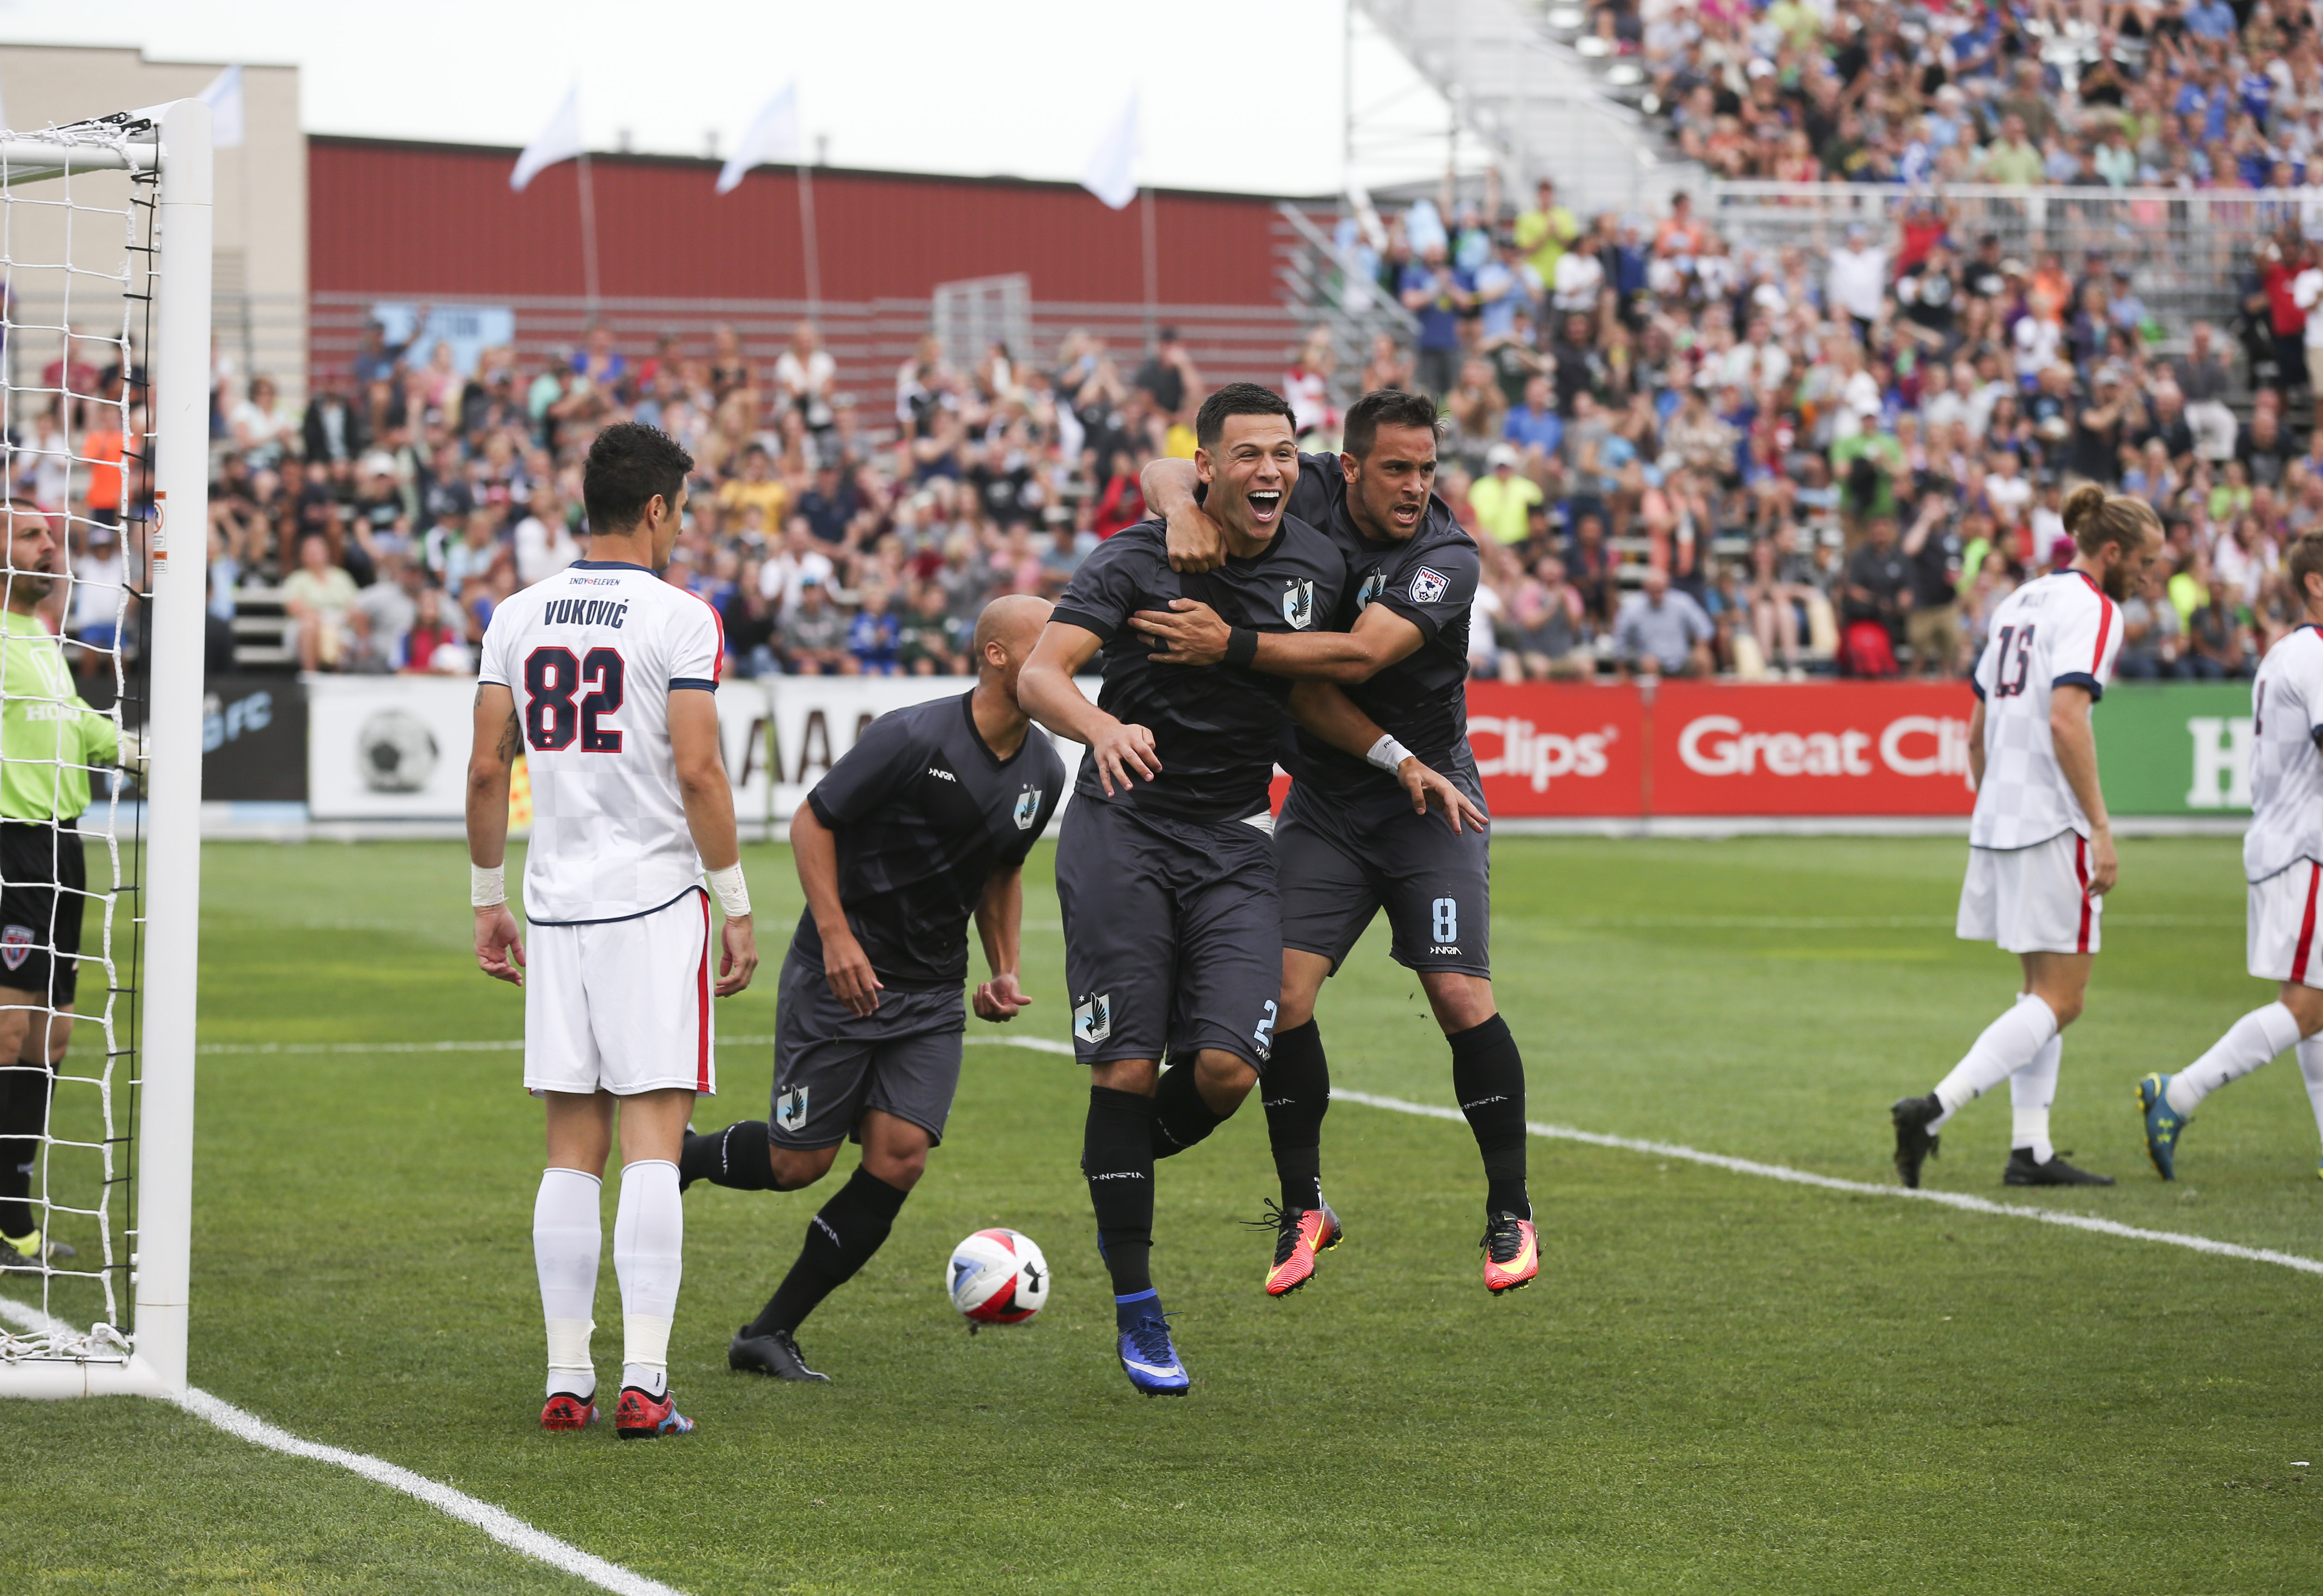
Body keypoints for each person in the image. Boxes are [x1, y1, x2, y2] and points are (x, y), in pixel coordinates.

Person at [1015, 383, 1480, 1396]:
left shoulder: (1319, 564)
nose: (1270, 471)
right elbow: (1042, 675)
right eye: (1248, 455)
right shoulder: (1138, 555)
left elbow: (1312, 689)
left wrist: (1396, 753)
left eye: (1283, 453)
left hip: (1234, 837)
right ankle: (1140, 1309)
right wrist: (1100, 727)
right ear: (1207, 467)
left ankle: (1117, 1169)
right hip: (1124, 825)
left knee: (1228, 1068)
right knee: (1130, 1067)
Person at [1135, 387, 1536, 1300]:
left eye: (1428, 470)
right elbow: (1169, 469)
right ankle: (1304, 1204)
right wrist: (1178, 513)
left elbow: (1355, 657)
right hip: (1327, 796)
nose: (1414, 487)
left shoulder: (1446, 556)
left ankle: (1509, 1208)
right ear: (1347, 467)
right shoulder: (1299, 483)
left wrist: (1228, 642)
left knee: (1458, 993)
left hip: (1427, 793)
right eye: (1395, 469)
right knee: (1281, 997)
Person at [678, 597, 1064, 1381]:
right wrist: (837, 936)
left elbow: (1004, 870)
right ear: (995, 656)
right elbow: (810, 824)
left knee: (899, 1158)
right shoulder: (912, 735)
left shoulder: (1044, 768)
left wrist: (1003, 969)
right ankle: (686, 1155)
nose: (1062, 664)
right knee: (799, 1164)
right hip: (841, 976)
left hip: (929, 992)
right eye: (1046, 649)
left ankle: (770, 1331)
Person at [465, 423, 760, 1439]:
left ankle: (564, 1377)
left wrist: (484, 897)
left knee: (567, 1151)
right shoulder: (682, 618)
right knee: (651, 1146)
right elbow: (698, 771)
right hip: (652, 903)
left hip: (553, 903)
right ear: (657, 510)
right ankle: (644, 1378)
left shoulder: (517, 612)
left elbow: (483, 770)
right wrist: (735, 901)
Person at [1891, 485, 2161, 1191]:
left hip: (2004, 818)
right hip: (2052, 819)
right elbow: (2066, 720)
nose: (2149, 576)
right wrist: (2100, 828)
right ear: (2110, 553)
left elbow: (1975, 733)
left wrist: (1996, 811)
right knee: (2063, 998)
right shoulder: (2095, 610)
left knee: (2038, 993)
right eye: (2145, 561)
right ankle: (1933, 1110)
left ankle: (2029, 1151)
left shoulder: (2019, 600)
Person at [2138, 532, 2323, 1181]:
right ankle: (2179, 1093)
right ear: (2315, 585)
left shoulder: (2283, 655)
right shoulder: (2316, 656)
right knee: (2305, 1008)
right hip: (2307, 847)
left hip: (2287, 842)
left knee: (2316, 1007)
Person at [0, 500, 140, 1272]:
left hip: (63, 852)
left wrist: (141, 751)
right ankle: (6, 1219)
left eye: (49, 535)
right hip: (8, 848)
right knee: (9, 1034)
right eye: (30, 535)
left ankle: (16, 1215)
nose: (49, 545)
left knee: (53, 1039)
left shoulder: (41, 640)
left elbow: (80, 727)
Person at [1613, 566, 1714, 678]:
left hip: (1681, 661)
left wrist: (1701, 647)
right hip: (1648, 662)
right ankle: (1651, 695)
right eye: (1654, 591)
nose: (1658, 595)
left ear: (1668, 587)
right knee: (1650, 664)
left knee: (1703, 659)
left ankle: (1705, 696)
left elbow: (1705, 626)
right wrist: (1621, 668)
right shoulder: (1631, 608)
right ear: (1645, 589)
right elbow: (1620, 639)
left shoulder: (1682, 602)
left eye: (1660, 590)